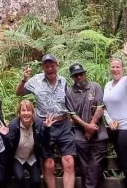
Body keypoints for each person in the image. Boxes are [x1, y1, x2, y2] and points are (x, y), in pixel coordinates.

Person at [15, 54, 76, 188]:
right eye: (47, 66)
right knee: (48, 164)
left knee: (69, 161)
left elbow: (70, 102)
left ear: (57, 65)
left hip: (64, 123)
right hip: (45, 125)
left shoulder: (64, 81)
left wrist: (74, 119)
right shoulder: (36, 80)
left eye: (52, 65)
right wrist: (24, 79)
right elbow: (18, 92)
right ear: (43, 67)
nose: (49, 69)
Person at [102, 43, 127, 188]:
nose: (115, 69)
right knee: (125, 163)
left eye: (118, 66)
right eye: (112, 67)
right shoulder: (107, 85)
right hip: (115, 129)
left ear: (122, 69)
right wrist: (110, 120)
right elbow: (104, 107)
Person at [65, 63, 107, 188]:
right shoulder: (69, 92)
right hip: (80, 137)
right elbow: (72, 114)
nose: (79, 77)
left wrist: (91, 126)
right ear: (72, 77)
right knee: (84, 168)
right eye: (75, 75)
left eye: (81, 74)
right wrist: (86, 127)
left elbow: (100, 107)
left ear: (85, 74)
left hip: (99, 135)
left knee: (95, 167)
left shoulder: (95, 87)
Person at [7, 100, 52, 188]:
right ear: (19, 113)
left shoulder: (38, 123)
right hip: (18, 157)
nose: (26, 113)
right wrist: (6, 136)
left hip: (31, 157)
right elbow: (9, 146)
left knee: (36, 180)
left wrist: (47, 129)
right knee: (19, 177)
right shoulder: (13, 125)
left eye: (29, 110)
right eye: (23, 110)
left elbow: (45, 142)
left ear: (33, 113)